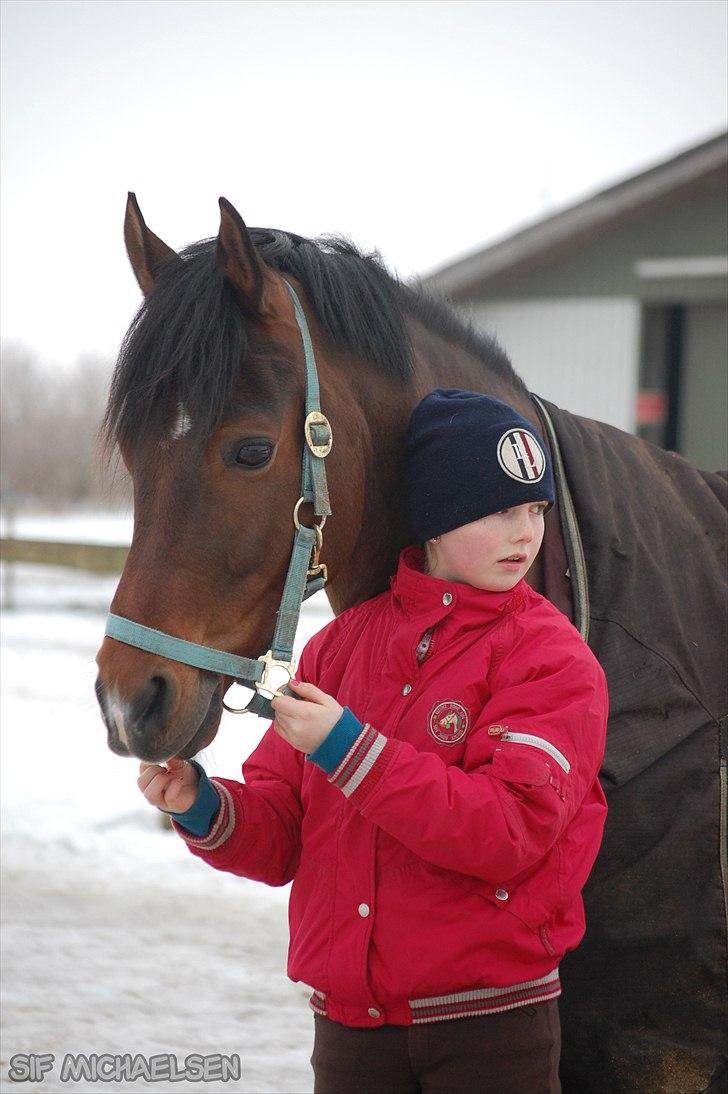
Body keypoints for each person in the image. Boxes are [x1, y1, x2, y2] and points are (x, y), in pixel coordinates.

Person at [138, 389, 608, 1094]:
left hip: (490, 1030)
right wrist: (205, 807)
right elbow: (286, 835)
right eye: (499, 510)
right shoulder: (337, 651)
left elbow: (507, 830)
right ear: (435, 519)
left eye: (535, 510)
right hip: (351, 1033)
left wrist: (351, 752)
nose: (524, 535)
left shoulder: (551, 659)